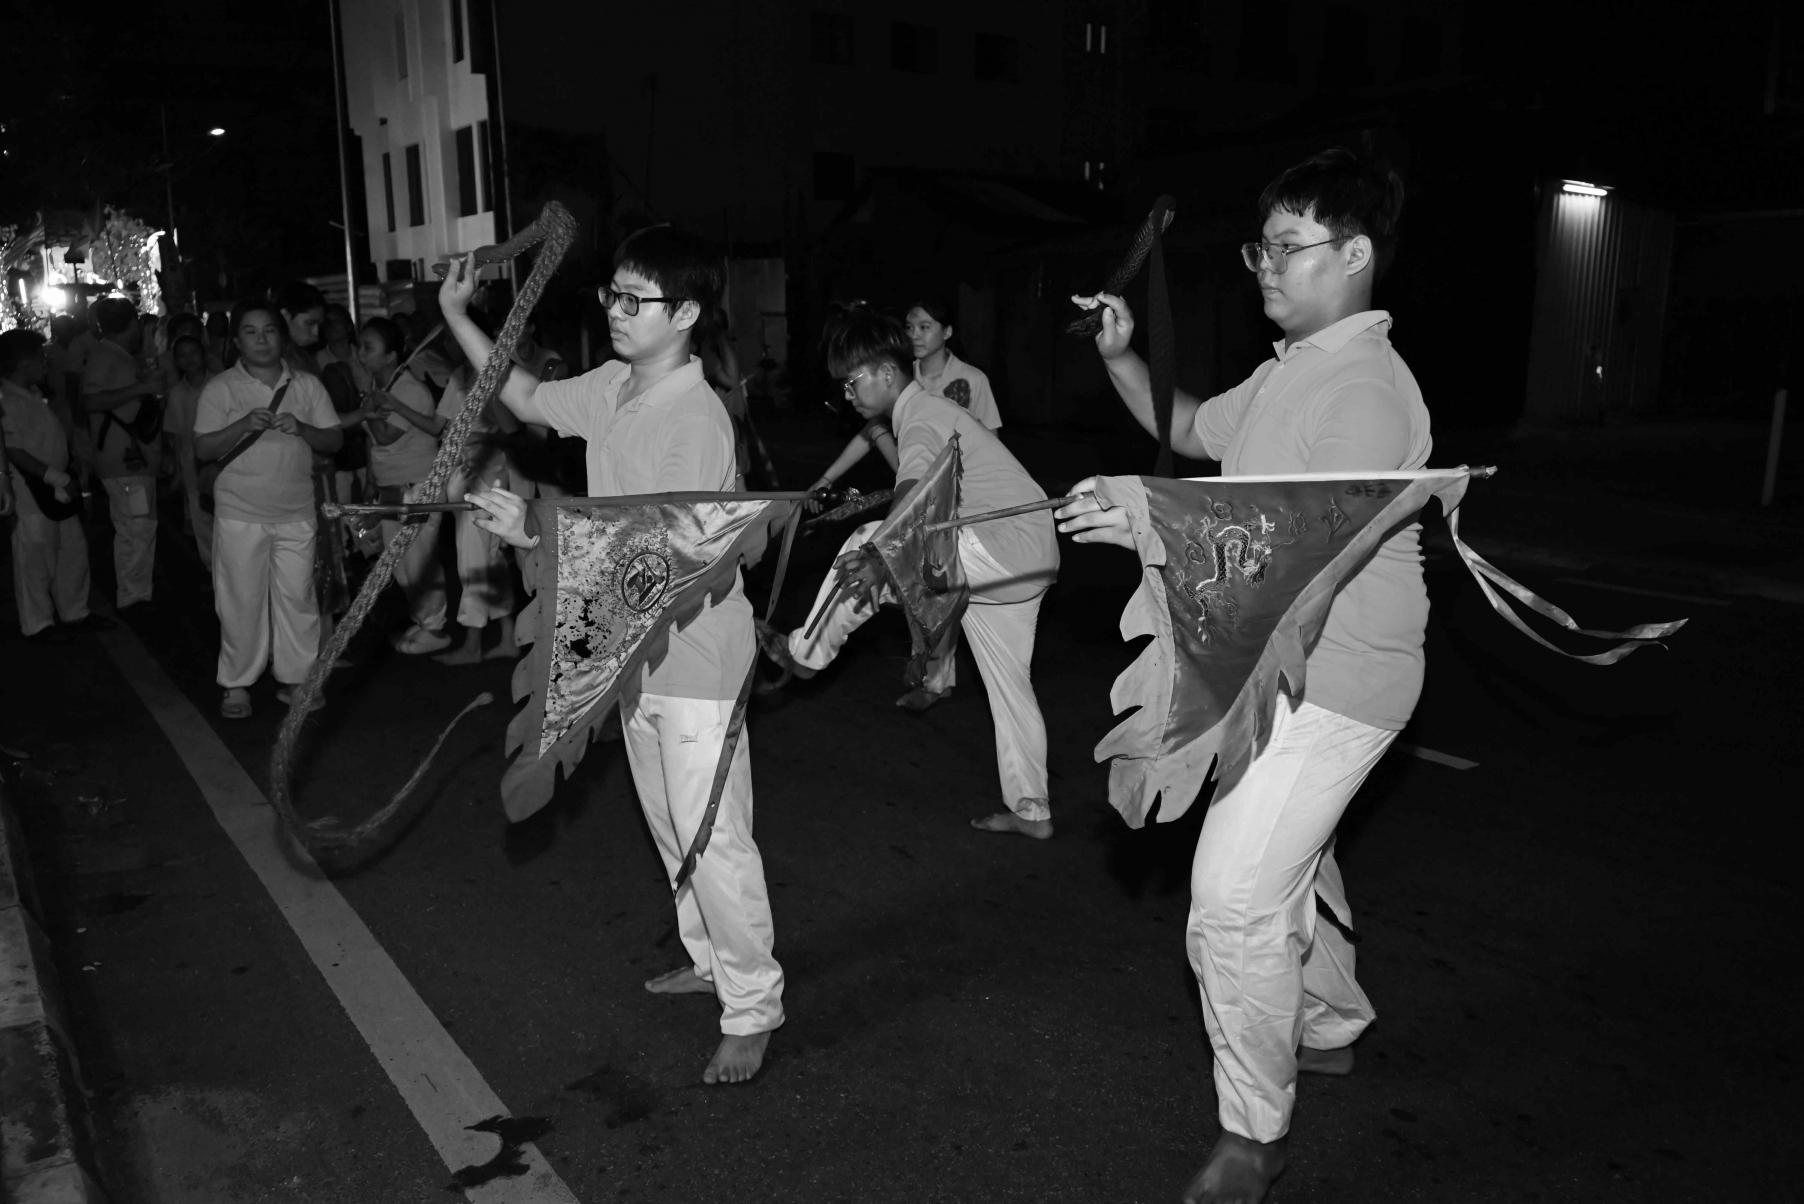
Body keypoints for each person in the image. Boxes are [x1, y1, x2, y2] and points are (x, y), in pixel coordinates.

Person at [1059, 148, 1428, 1204]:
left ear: (1353, 254)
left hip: (1338, 675)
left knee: (1227, 898)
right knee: (1287, 854)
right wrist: (1126, 358)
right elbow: (1182, 430)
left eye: (1287, 244)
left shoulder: (1365, 387)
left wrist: (1145, 514)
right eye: (1259, 245)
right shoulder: (1284, 370)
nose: (1264, 264)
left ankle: (1252, 1134)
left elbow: (1293, 534)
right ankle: (1331, 1021)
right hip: (1265, 652)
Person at [443, 226, 784, 1086]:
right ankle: (707, 962)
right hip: (634, 649)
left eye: (637, 302)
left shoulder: (695, 419)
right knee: (670, 825)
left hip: (699, 653)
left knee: (715, 837)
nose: (618, 314)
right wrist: (456, 311)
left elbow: (653, 555)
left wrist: (531, 530)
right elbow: (519, 397)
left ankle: (753, 1006)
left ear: (690, 314)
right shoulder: (615, 385)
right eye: (613, 296)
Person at [759, 306, 1060, 839]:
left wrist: (879, 559)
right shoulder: (923, 411)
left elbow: (915, 492)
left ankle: (805, 654)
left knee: (866, 543)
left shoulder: (922, 416)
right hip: (1029, 559)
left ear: (886, 372)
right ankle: (1032, 811)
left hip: (1001, 548)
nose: (847, 394)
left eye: (852, 381)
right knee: (1011, 688)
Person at [804, 298, 1002, 711]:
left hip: (953, 501)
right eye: (911, 326)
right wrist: (825, 480)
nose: (915, 334)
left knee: (916, 570)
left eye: (926, 326)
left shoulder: (968, 381)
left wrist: (882, 551)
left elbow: (989, 442)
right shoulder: (898, 383)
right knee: (931, 584)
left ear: (947, 332)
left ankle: (813, 650)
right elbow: (870, 435)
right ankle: (933, 678)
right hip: (916, 494)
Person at [193, 300, 343, 719]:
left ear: (282, 336)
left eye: (269, 331)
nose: (261, 340)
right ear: (237, 341)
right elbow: (202, 447)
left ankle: (297, 680)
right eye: (250, 332)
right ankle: (237, 683)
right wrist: (242, 425)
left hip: (296, 511)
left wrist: (304, 428)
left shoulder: (307, 385)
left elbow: (334, 440)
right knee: (241, 600)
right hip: (240, 512)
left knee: (299, 599)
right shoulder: (221, 387)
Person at [1, 329, 104, 640]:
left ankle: (75, 611)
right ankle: (38, 623)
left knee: (71, 552)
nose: (45, 362)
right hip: (30, 492)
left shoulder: (33, 394)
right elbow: (12, 449)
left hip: (58, 488)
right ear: (23, 361)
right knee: (35, 558)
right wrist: (53, 476)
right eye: (40, 357)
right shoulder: (5, 398)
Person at [357, 315, 452, 655]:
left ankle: (436, 628)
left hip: (418, 487)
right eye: (361, 346)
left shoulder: (409, 389)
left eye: (368, 347)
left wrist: (366, 412)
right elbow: (375, 446)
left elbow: (383, 436)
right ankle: (425, 621)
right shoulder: (383, 389)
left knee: (418, 561)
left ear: (390, 356)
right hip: (393, 486)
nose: (360, 353)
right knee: (401, 563)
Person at [431, 318, 519, 665]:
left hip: (488, 477)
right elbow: (447, 428)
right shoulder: (459, 376)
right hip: (465, 475)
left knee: (473, 559)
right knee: (488, 559)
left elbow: (511, 428)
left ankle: (472, 643)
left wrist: (490, 391)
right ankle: (508, 638)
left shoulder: (498, 375)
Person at [80, 297, 162, 611]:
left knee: (138, 526)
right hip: (124, 460)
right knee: (135, 528)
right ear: (132, 324)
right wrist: (141, 389)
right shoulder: (105, 355)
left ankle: (137, 592)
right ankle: (133, 597)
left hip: (131, 458)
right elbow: (90, 401)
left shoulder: (116, 355)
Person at [162, 335, 215, 569]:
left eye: (193, 353)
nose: (189, 359)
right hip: (191, 462)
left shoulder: (220, 385)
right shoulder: (176, 393)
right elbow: (175, 435)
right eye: (182, 355)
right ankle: (213, 570)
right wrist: (177, 470)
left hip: (221, 460)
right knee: (201, 517)